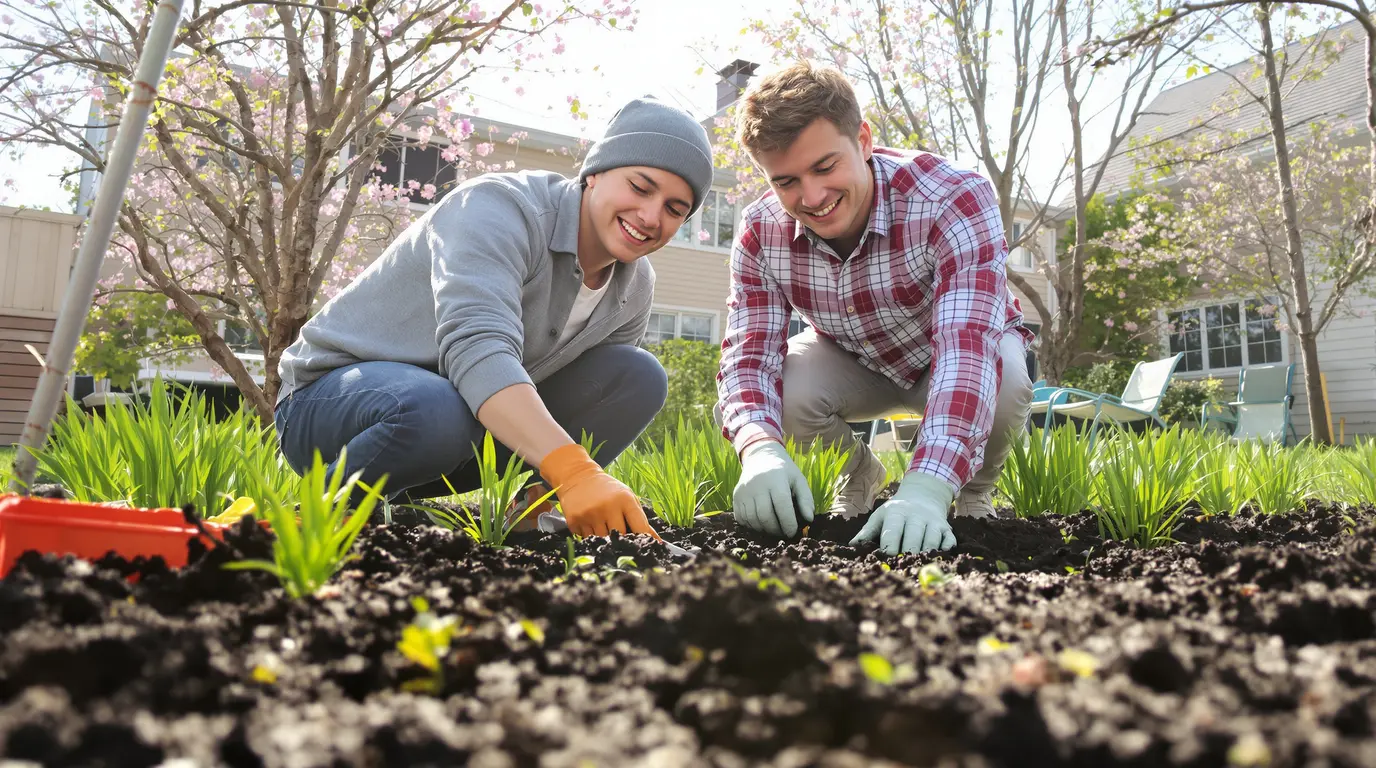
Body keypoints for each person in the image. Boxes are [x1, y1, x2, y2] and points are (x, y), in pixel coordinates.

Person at [274, 96, 714, 539]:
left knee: (637, 375)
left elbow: (600, 397)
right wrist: (575, 469)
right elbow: (478, 348)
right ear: (595, 173)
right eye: (640, 187)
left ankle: (531, 521)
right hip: (331, 414)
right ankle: (318, 514)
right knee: (435, 409)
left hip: (456, 437)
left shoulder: (634, 286)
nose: (651, 217)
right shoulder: (496, 209)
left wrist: (570, 481)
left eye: (676, 209)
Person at [715, 62, 1035, 555]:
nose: (813, 197)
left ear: (863, 139)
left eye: (825, 167)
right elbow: (749, 355)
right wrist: (759, 449)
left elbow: (966, 349)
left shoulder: (952, 196)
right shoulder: (761, 232)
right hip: (851, 356)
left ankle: (969, 499)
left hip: (946, 352)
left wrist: (926, 488)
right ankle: (861, 474)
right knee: (783, 390)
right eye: (786, 181)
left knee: (1006, 377)